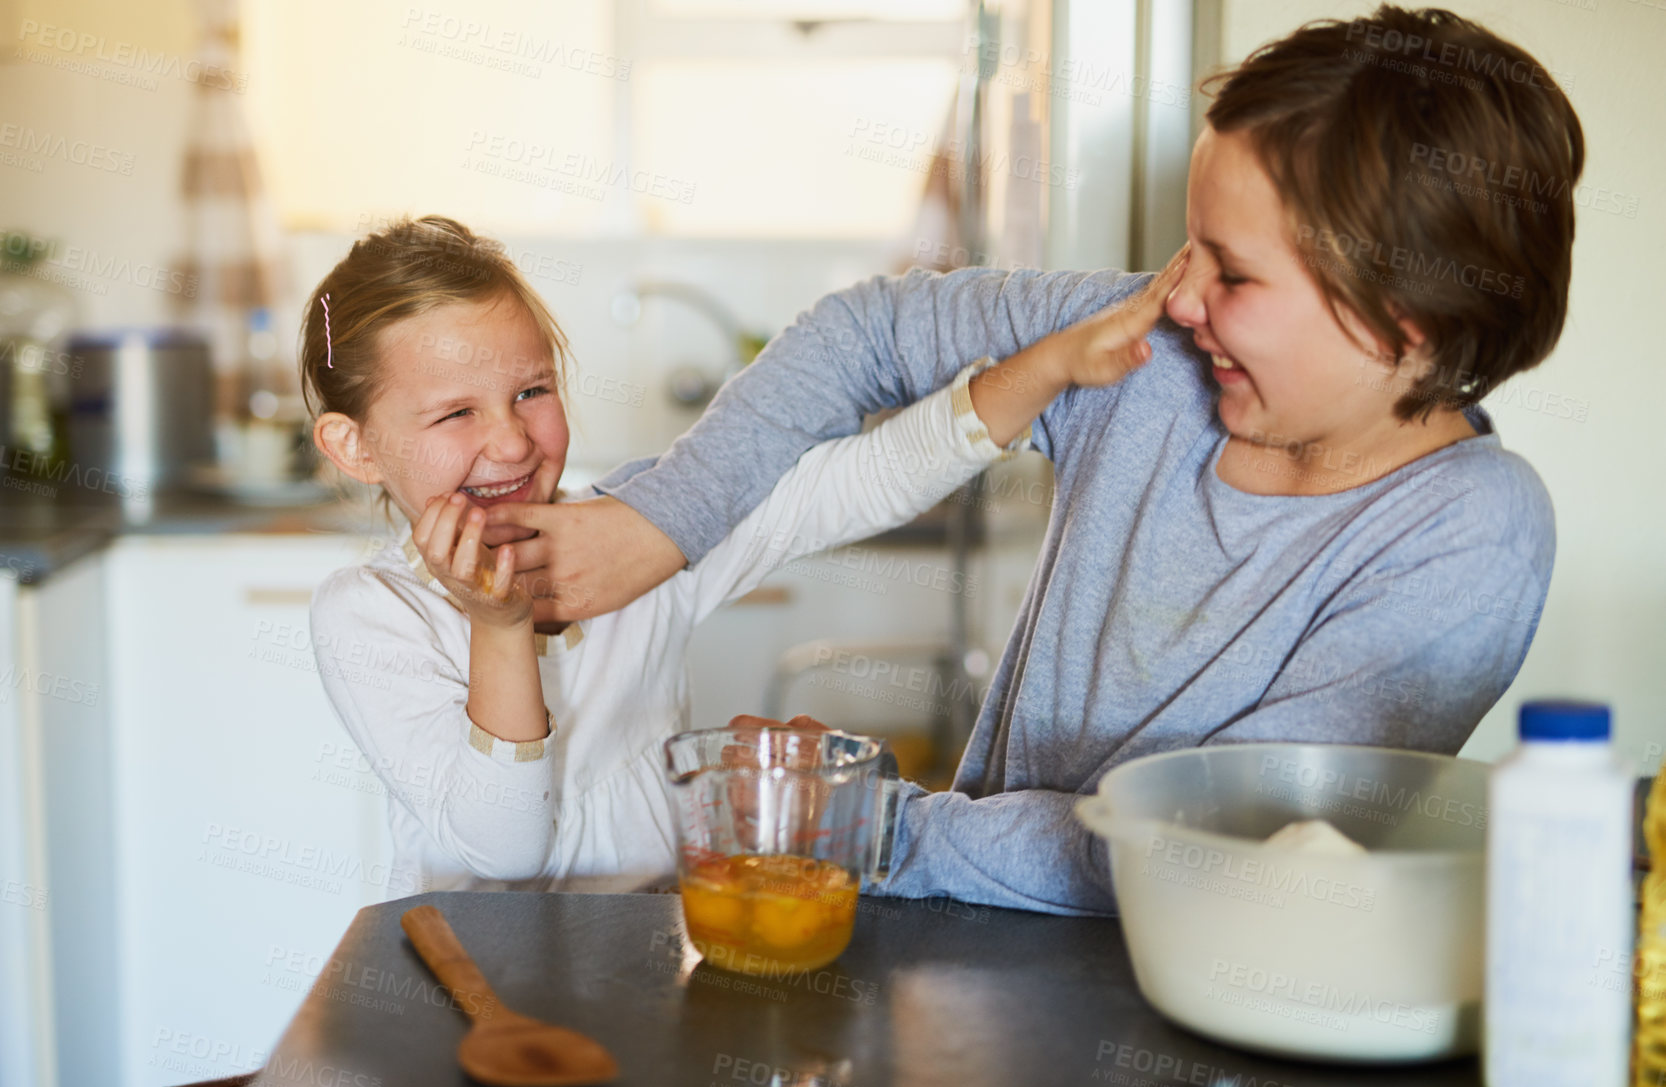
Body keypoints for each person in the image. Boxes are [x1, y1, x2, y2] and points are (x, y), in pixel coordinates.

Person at [481, 6, 1581, 914]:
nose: (1180, 292)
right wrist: (662, 520)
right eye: (1185, 247)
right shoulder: (1150, 346)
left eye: (1234, 275)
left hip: (1194, 1036)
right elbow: (860, 334)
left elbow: (1197, 854)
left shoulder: (1468, 533)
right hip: (978, 967)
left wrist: (865, 820)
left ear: (1403, 327)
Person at [301, 216, 1180, 896]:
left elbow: (853, 482)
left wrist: (1053, 364)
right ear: (354, 447)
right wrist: (501, 628)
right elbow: (503, 852)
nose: (511, 441)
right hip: (467, 1002)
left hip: (645, 969)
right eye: (455, 414)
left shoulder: (632, 543)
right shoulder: (371, 614)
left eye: (532, 391)